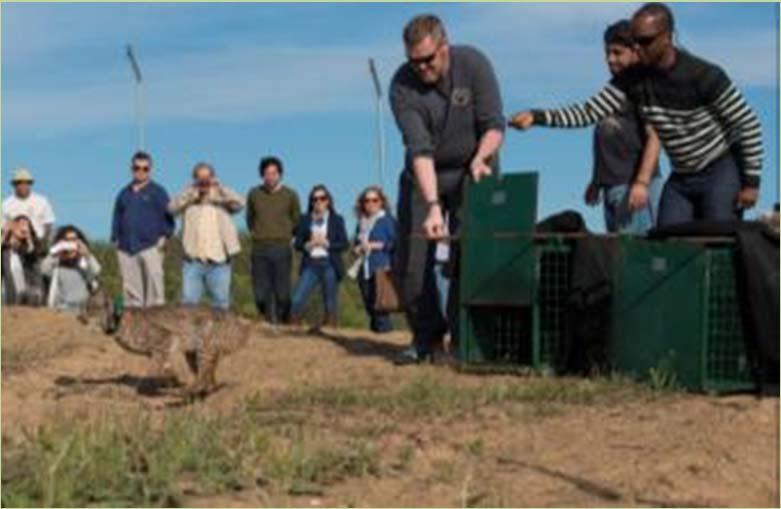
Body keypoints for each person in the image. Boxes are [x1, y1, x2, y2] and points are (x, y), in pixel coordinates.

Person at [509, 2, 763, 227]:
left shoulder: (704, 75)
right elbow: (589, 111)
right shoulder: (633, 79)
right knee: (665, 244)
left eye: (646, 41)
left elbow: (748, 124)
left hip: (718, 169)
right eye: (635, 41)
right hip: (682, 176)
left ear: (668, 37)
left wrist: (751, 183)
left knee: (720, 239)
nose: (639, 48)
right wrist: (537, 116)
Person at [390, 14, 505, 364]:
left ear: (445, 46)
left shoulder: (474, 64)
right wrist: (433, 205)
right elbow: (419, 149)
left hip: (475, 169)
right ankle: (426, 338)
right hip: (426, 174)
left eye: (429, 59)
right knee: (412, 262)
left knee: (470, 256)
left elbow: (495, 124)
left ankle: (466, 339)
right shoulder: (402, 86)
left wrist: (482, 157)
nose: (422, 67)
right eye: (415, 61)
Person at [583, 20, 663, 234]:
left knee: (633, 258)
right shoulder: (615, 91)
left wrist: (641, 183)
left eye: (617, 53)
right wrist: (596, 181)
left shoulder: (645, 88)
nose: (610, 59)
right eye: (607, 53)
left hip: (633, 189)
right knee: (617, 254)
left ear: (636, 52)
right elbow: (608, 139)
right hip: (612, 188)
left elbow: (655, 137)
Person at [169, 162, 245, 310]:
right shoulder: (188, 199)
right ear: (194, 179)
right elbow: (171, 209)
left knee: (221, 305)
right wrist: (190, 193)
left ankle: (221, 334)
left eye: (207, 177)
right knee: (188, 307)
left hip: (219, 262)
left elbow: (240, 203)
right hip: (193, 261)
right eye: (200, 178)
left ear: (213, 178)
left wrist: (220, 188)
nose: (204, 181)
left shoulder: (222, 199)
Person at [110, 151, 175, 308]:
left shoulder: (158, 192)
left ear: (150, 170)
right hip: (126, 248)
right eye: (137, 168)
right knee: (131, 294)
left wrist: (164, 237)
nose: (140, 171)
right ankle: (132, 325)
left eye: (145, 168)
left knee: (154, 291)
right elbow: (117, 217)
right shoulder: (123, 193)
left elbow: (169, 217)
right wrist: (115, 238)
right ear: (131, 168)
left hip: (150, 246)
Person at [246, 156, 301, 324]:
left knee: (282, 291)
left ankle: (285, 321)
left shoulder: (290, 195)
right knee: (261, 291)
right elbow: (250, 219)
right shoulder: (254, 194)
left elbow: (296, 219)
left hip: (281, 247)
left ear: (280, 174)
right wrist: (259, 233)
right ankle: (266, 320)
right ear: (262, 175)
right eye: (266, 173)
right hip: (260, 247)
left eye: (273, 173)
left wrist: (286, 236)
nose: (270, 177)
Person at [290, 185, 348, 329]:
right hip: (310, 264)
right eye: (315, 199)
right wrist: (307, 245)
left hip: (329, 263)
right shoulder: (304, 220)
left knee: (329, 300)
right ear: (311, 202)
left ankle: (329, 327)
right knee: (297, 298)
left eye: (322, 198)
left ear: (328, 201)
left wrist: (327, 244)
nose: (319, 202)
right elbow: (297, 244)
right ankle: (293, 326)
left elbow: (344, 244)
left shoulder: (337, 220)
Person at [350, 186, 397, 333]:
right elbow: (356, 244)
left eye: (375, 200)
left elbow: (397, 243)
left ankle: (385, 336)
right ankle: (376, 336)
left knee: (380, 306)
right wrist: (357, 249)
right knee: (369, 305)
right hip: (363, 268)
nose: (371, 203)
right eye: (367, 200)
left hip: (381, 268)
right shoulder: (362, 222)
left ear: (381, 202)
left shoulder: (387, 220)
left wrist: (379, 245)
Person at [41, 225, 101, 312]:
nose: (70, 245)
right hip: (60, 312)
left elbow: (96, 271)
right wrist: (57, 250)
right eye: (67, 241)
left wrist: (87, 255)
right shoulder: (56, 267)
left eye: (74, 240)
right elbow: (44, 269)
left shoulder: (84, 266)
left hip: (82, 312)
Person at [2, 168, 56, 243]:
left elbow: (48, 223)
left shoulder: (42, 201)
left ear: (30, 184)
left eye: (26, 183)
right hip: (14, 244)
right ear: (14, 185)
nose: (23, 186)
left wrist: (45, 243)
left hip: (38, 242)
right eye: (19, 183)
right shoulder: (6, 204)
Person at [1, 215, 45, 305]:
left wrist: (29, 239)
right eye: (19, 224)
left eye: (26, 225)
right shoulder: (4, 251)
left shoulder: (29, 252)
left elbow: (33, 257)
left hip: (27, 302)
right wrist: (5, 234)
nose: (23, 227)